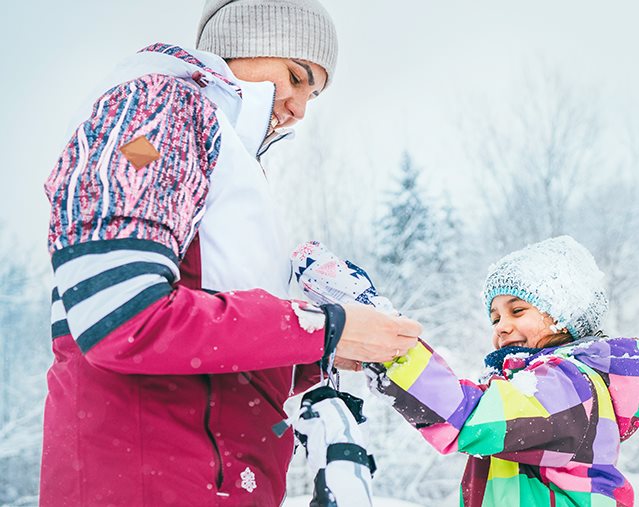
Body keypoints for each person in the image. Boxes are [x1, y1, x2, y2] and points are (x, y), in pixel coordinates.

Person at [39, 1, 421, 505]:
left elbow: (214, 350)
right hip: (147, 484)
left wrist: (321, 351)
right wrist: (324, 326)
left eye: (315, 93)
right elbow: (119, 313)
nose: (300, 109)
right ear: (244, 46)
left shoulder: (230, 158)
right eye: (296, 76)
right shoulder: (154, 113)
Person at [365, 236, 639, 506]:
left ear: (564, 318)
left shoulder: (570, 383)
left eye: (517, 311)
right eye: (495, 317)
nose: (501, 326)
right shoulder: (543, 384)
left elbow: (469, 417)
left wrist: (391, 349)